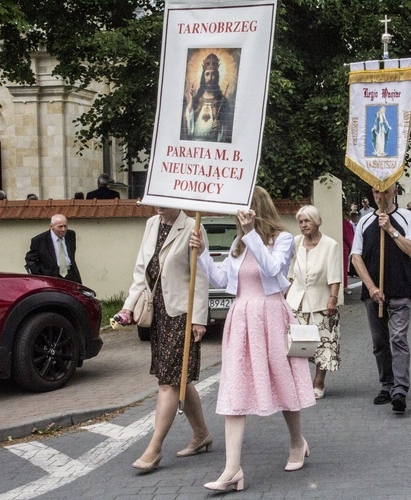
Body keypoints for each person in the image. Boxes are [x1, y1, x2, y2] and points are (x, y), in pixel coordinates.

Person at [190, 186, 314, 492]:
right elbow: (222, 281)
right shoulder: (239, 243)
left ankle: (297, 442)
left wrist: (251, 235)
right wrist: (203, 252)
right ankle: (232, 469)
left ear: (256, 209)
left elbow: (273, 270)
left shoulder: (281, 239)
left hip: (271, 315)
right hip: (241, 318)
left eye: (243, 209)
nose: (238, 215)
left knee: (282, 383)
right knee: (235, 389)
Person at [115, 207, 211, 473]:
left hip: (181, 314)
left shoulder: (193, 226)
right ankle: (201, 433)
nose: (157, 204)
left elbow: (199, 275)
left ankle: (154, 448)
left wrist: (199, 318)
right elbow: (141, 272)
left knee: (168, 382)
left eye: (162, 198)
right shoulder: (151, 224)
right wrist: (128, 307)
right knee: (179, 378)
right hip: (157, 313)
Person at [351, 183, 411, 414]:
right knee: (380, 343)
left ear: (395, 192)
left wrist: (391, 229)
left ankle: (400, 389)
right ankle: (386, 383)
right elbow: (356, 258)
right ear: (372, 194)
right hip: (374, 293)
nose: (381, 196)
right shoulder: (364, 221)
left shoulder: (407, 217)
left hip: (399, 288)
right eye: (376, 192)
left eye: (386, 191)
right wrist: (371, 287)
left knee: (398, 339)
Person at [286, 205, 343, 400]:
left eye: (307, 221)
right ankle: (299, 383)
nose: (303, 225)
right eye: (300, 222)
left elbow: (335, 276)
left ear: (317, 221)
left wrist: (333, 299)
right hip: (296, 300)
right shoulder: (294, 243)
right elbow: (290, 273)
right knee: (296, 344)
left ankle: (318, 382)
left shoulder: (330, 245)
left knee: (323, 342)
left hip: (322, 301)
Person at [184, 53, 234, 143]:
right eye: (207, 74)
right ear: (203, 77)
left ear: (217, 77)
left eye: (213, 74)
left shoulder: (222, 101)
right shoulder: (195, 100)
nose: (210, 78)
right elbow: (188, 123)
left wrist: (220, 126)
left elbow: (228, 126)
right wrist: (191, 100)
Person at [25, 214, 82, 283]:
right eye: (60, 227)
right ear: (51, 227)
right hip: (51, 276)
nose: (63, 229)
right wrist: (40, 275)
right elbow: (30, 259)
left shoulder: (71, 235)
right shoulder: (40, 240)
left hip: (71, 274)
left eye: (65, 226)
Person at [342, 210, 355, 292]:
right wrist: (352, 246)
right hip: (345, 247)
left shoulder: (343, 223)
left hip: (343, 246)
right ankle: (345, 286)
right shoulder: (346, 224)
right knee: (345, 267)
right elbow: (348, 236)